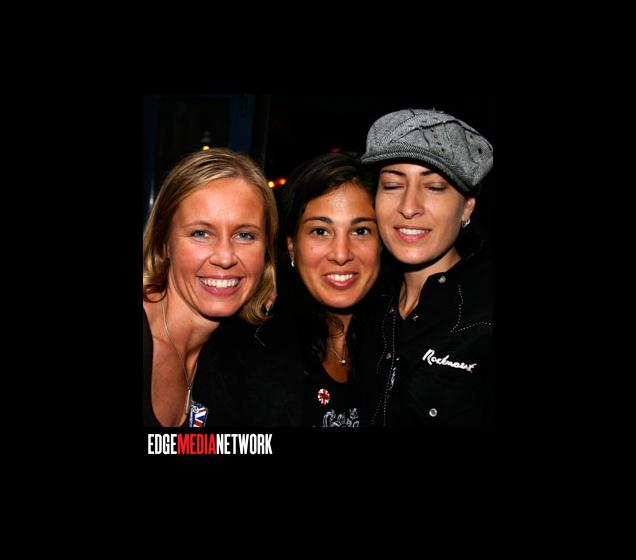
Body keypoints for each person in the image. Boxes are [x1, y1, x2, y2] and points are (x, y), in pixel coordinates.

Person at [358, 108, 494, 426]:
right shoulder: (367, 304)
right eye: (392, 185)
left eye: (434, 187)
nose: (409, 207)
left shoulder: (485, 316)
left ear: (467, 207)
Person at [143, 147, 278, 427]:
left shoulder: (236, 354)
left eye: (245, 235)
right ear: (163, 242)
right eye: (201, 233)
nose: (225, 258)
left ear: (266, 250)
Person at [272, 152, 382, 427]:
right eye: (320, 231)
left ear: (382, 243)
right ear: (291, 245)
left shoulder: (395, 342)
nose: (341, 254)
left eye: (361, 231)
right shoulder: (257, 350)